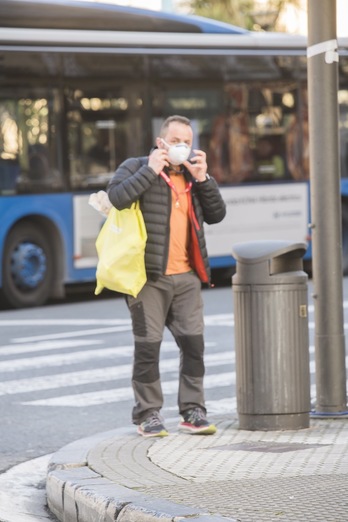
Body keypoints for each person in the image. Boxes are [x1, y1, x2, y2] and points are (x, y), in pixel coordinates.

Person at [107, 115, 226, 438]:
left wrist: (204, 179)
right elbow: (116, 198)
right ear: (161, 143)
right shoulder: (136, 166)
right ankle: (148, 414)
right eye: (175, 142)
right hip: (148, 278)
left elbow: (216, 215)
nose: (182, 147)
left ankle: (192, 410)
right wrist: (150, 170)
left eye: (187, 142)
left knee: (194, 346)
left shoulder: (191, 175)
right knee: (148, 348)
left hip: (187, 275)